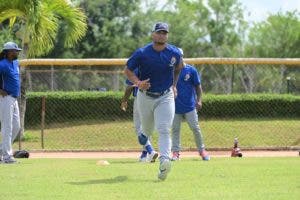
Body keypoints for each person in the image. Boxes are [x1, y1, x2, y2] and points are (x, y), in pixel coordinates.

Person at [125, 22, 183, 180]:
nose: (162, 35)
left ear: (167, 35)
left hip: (165, 96)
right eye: (159, 32)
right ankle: (144, 134)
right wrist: (138, 83)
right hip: (145, 96)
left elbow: (179, 67)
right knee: (148, 130)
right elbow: (128, 70)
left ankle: (164, 162)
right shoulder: (142, 53)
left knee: (164, 128)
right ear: (153, 34)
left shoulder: (174, 53)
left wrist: (174, 85)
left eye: (165, 33)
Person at [171, 48, 210, 161]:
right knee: (175, 130)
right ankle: (175, 153)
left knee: (195, 128)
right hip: (175, 107)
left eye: (180, 56)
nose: (178, 58)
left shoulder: (191, 70)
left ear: (182, 56)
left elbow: (198, 86)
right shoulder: (171, 72)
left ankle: (202, 151)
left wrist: (199, 100)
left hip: (190, 107)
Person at [120, 69, 158, 162]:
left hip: (141, 99)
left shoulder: (137, 68)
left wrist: (124, 100)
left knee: (139, 128)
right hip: (156, 99)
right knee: (147, 127)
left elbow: (129, 87)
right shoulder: (156, 66)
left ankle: (150, 150)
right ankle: (145, 155)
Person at [0, 42, 22, 164]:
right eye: (14, 50)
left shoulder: (15, 63)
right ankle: (7, 157)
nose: (17, 52)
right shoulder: (2, 64)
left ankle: (1, 150)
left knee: (16, 126)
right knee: (7, 127)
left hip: (14, 99)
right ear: (8, 52)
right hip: (5, 98)